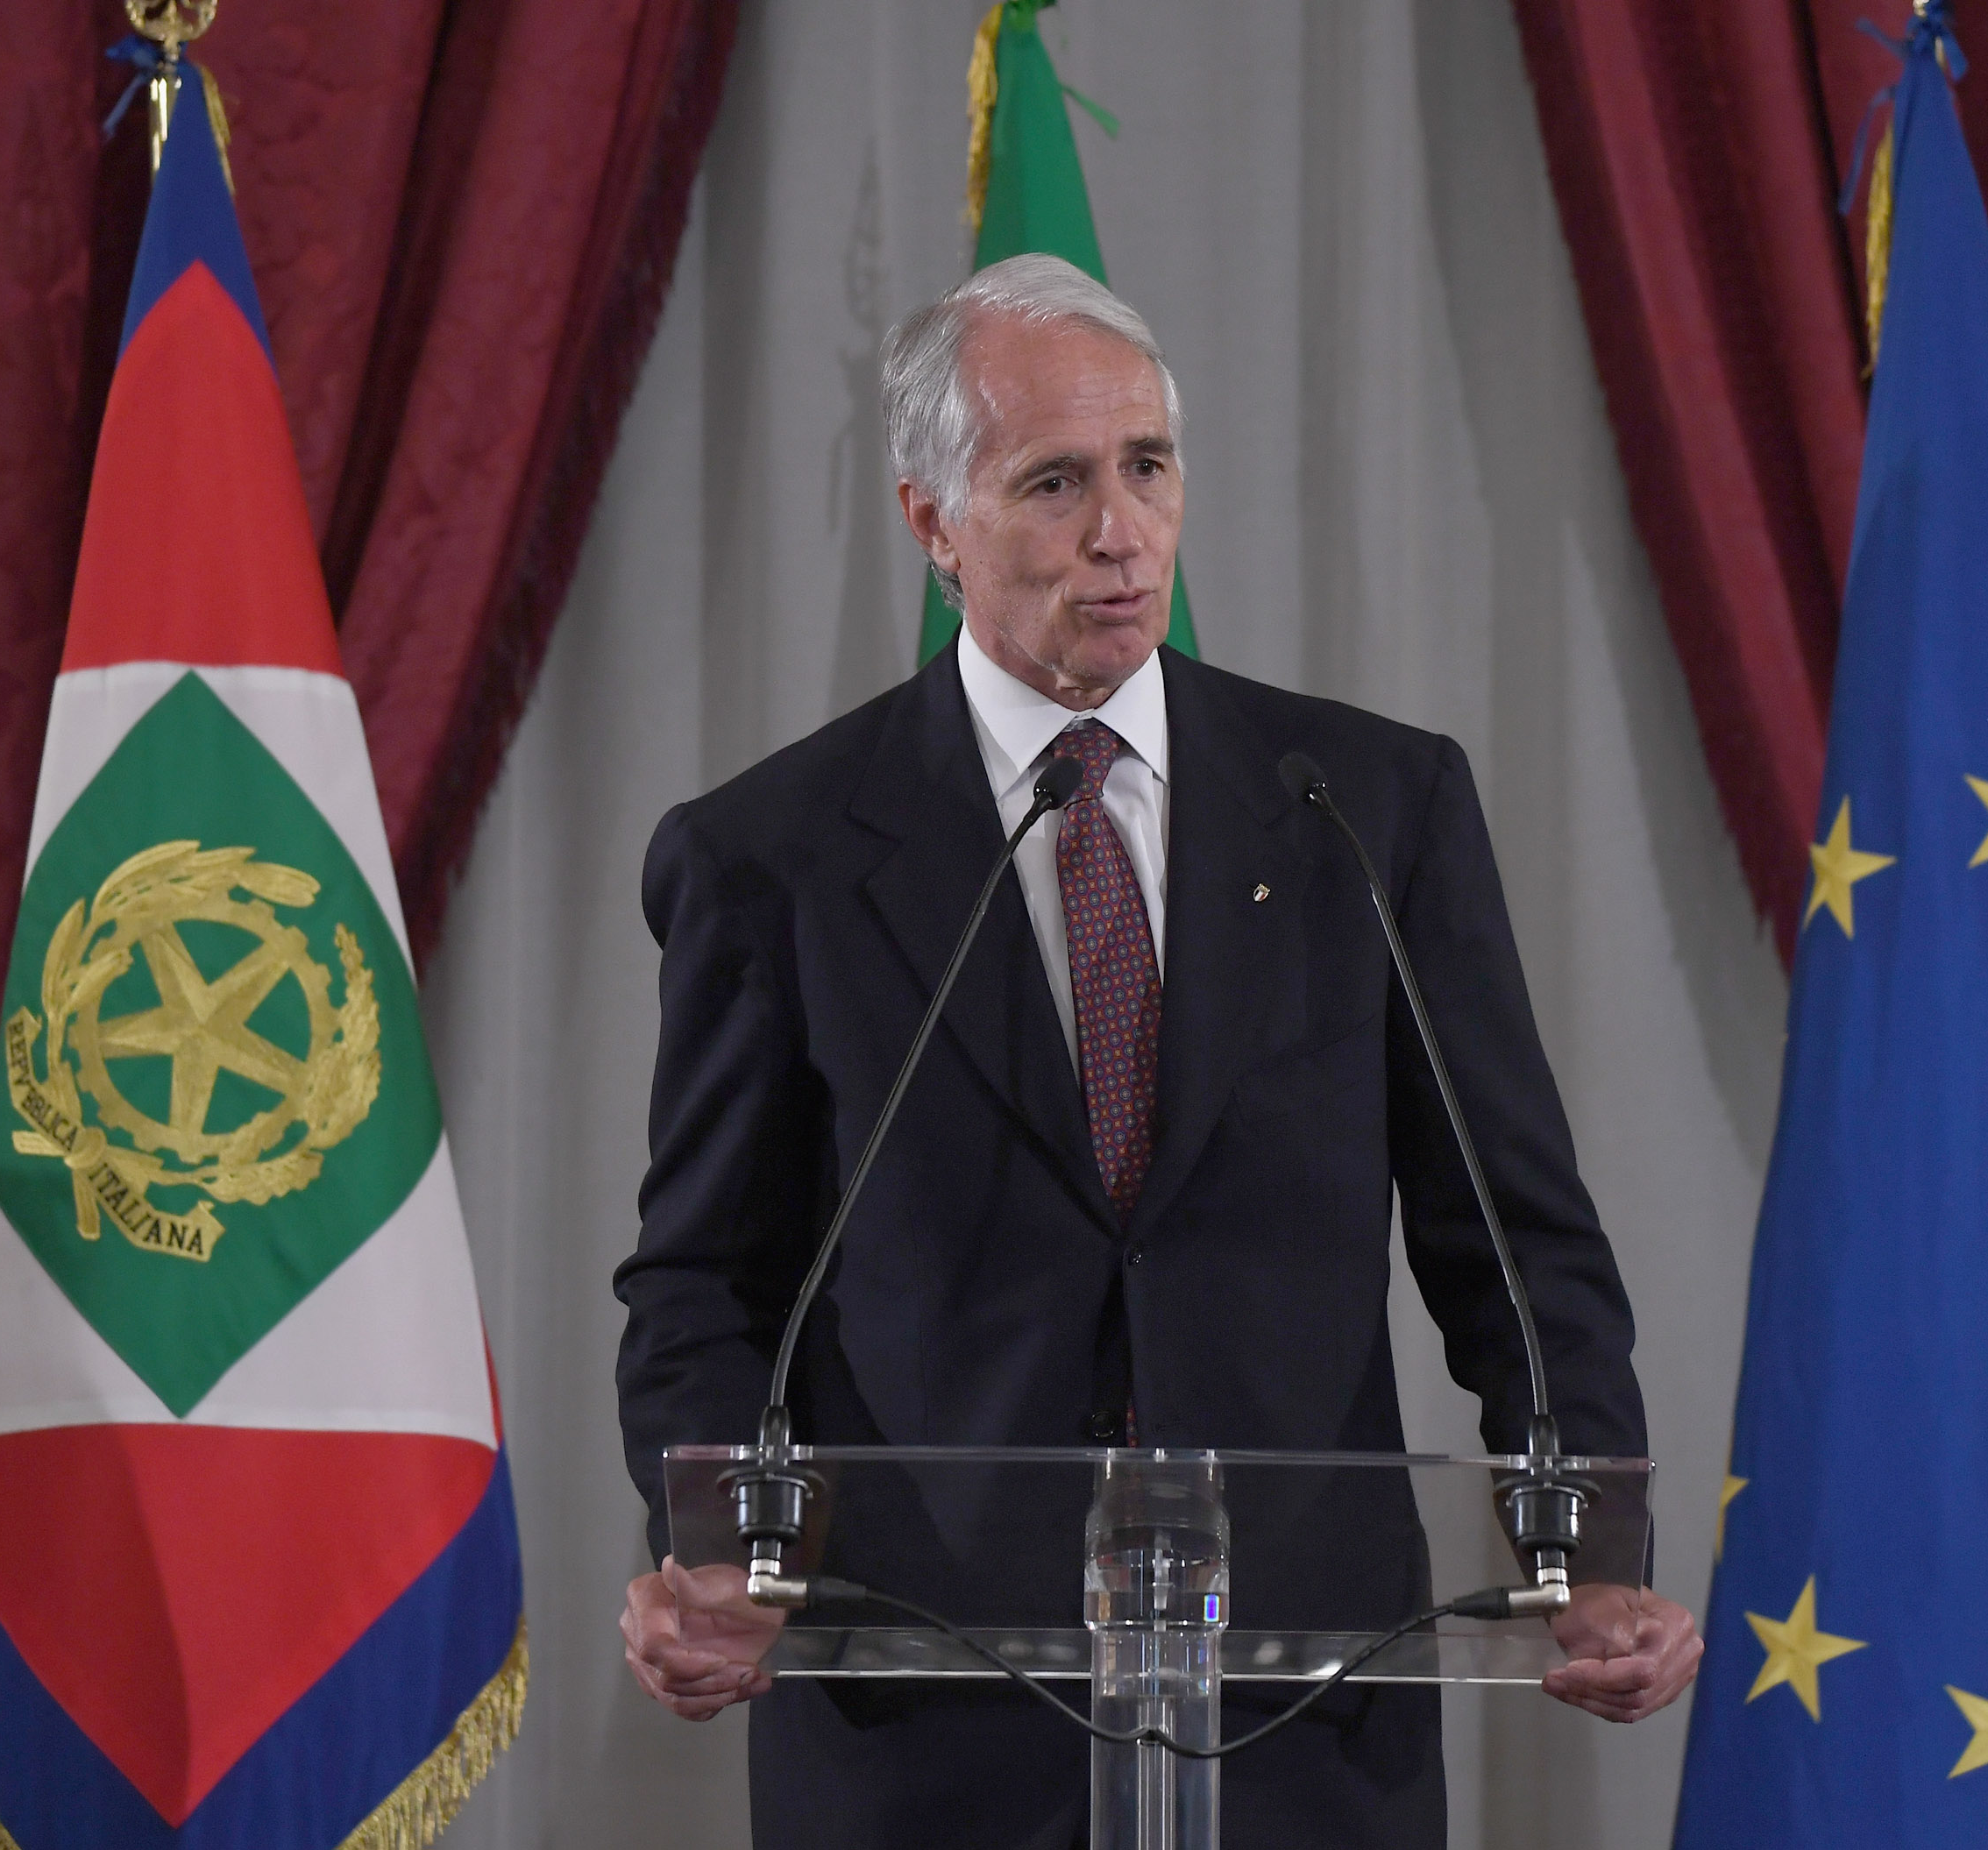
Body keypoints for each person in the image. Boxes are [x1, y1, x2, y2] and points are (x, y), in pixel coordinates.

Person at [615, 254, 1700, 1846]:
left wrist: (1590, 1542)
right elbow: (707, 1282)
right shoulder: (770, 858)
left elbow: (1515, 1234)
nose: (1121, 533)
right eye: (1054, 483)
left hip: (1308, 1705)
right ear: (934, 519)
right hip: (927, 1715)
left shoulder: (1366, 807)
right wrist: (721, 1548)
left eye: (1148, 468)